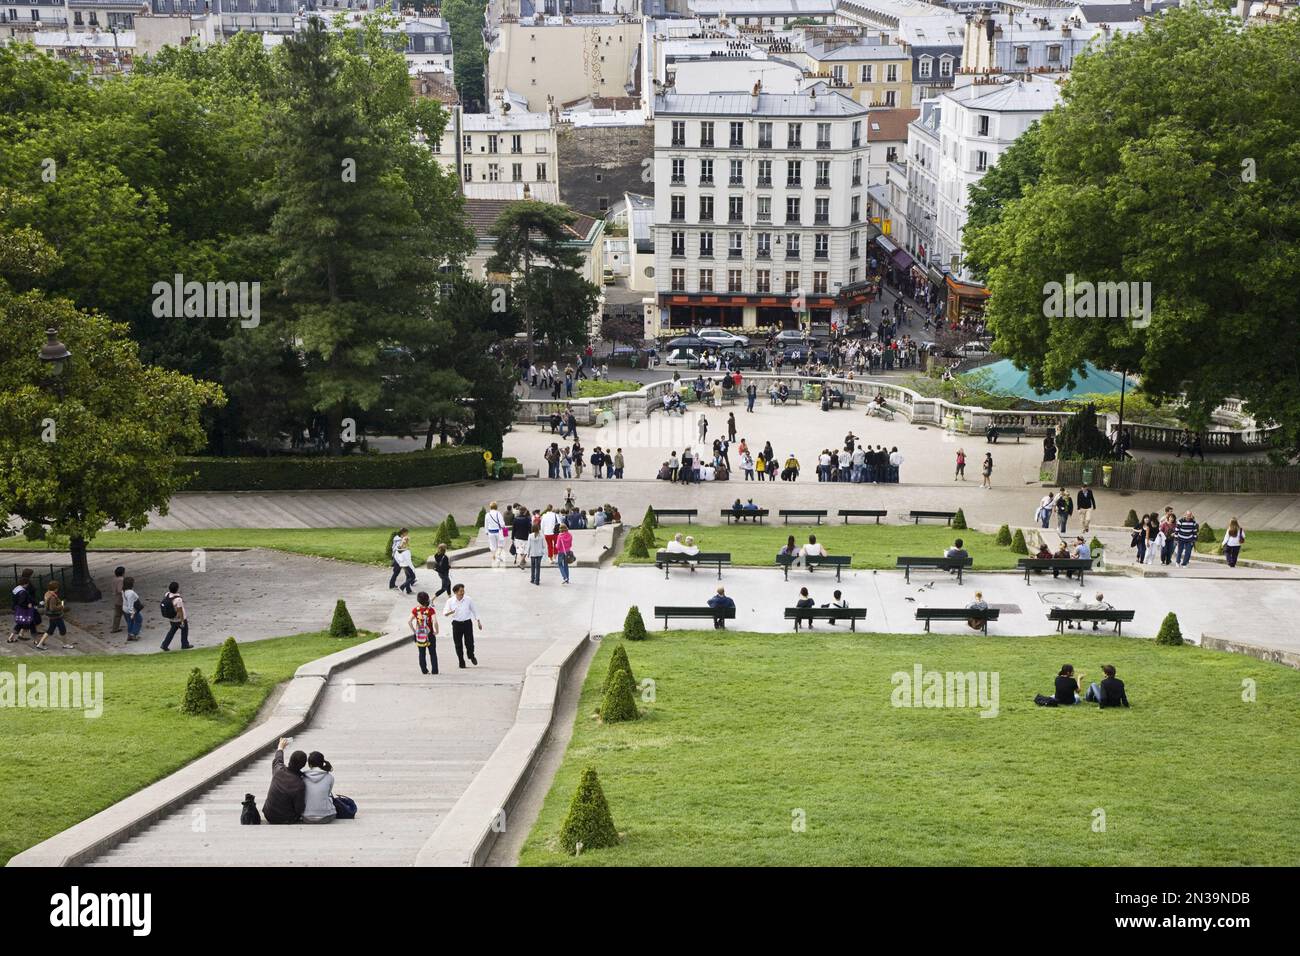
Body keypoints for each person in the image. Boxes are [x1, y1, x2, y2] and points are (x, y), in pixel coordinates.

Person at [263, 738, 307, 824]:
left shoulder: (278, 770)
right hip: (287, 819)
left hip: (268, 814)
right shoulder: (299, 784)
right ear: (303, 765)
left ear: (290, 760)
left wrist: (280, 747)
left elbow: (278, 759)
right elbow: (299, 809)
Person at [444, 583, 482, 667]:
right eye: (460, 591)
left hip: (467, 623)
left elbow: (474, 610)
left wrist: (478, 621)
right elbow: (445, 613)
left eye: (463, 590)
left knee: (470, 642)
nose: (462, 592)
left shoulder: (468, 599)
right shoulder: (450, 601)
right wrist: (451, 612)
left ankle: (471, 655)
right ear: (456, 592)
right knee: (458, 644)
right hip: (456, 624)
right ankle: (461, 660)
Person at [301, 752, 338, 824]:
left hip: (306, 818)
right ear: (322, 763)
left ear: (309, 765)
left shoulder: (303, 777)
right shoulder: (329, 777)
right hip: (325, 817)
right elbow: (327, 794)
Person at [410, 591, 440, 674]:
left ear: (418, 600)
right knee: (433, 653)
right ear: (427, 599)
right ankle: (434, 670)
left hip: (419, 635)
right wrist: (436, 631)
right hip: (429, 634)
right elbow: (435, 622)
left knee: (421, 653)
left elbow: (409, 621)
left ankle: (424, 670)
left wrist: (414, 631)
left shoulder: (415, 610)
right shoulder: (431, 610)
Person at [7, 568, 39, 644]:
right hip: (25, 611)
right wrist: (28, 605)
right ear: (25, 583)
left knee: (19, 624)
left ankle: (10, 638)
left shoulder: (16, 589)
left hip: (18, 610)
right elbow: (21, 602)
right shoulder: (23, 592)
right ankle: (36, 641)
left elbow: (16, 600)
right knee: (32, 624)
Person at [159, 581, 192, 651]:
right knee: (185, 630)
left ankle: (164, 644)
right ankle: (185, 644)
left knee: (172, 631)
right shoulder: (178, 599)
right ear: (177, 589)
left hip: (171, 618)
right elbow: (180, 611)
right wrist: (182, 621)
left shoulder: (167, 594)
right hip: (178, 619)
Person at [34, 580, 65, 650]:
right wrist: (62, 606)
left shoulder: (47, 594)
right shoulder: (53, 597)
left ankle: (40, 643)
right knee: (63, 630)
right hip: (56, 615)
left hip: (51, 615)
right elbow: (52, 608)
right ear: (56, 588)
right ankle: (65, 644)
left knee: (50, 630)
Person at [121, 575, 143, 642]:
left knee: (130, 622)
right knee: (139, 620)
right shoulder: (131, 593)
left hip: (125, 608)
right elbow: (131, 604)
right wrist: (132, 613)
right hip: (132, 609)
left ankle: (129, 634)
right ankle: (133, 634)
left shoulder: (123, 591)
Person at [527, 518, 547, 585]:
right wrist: (545, 553)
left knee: (532, 567)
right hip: (539, 553)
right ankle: (537, 580)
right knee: (538, 567)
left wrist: (528, 553)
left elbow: (529, 546)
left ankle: (532, 579)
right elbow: (544, 545)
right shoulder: (542, 536)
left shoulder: (530, 536)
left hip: (532, 553)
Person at [110, 565, 126, 633]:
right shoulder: (121, 580)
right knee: (127, 613)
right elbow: (120, 590)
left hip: (116, 599)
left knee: (117, 615)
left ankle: (115, 628)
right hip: (121, 600)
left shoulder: (114, 579)